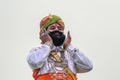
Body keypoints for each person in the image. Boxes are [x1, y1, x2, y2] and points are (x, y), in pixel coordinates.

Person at [27, 14, 93, 80]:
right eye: (52, 28)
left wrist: (68, 46)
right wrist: (47, 44)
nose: (57, 30)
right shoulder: (37, 51)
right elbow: (35, 63)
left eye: (60, 28)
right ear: (44, 32)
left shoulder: (70, 53)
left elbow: (88, 66)